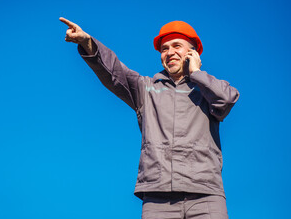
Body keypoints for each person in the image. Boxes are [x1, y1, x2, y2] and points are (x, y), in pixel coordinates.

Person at [60, 17, 239, 219]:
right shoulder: (146, 89)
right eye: (164, 48)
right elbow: (114, 71)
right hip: (158, 197)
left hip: (205, 195)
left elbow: (226, 101)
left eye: (177, 46)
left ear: (193, 52)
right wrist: (87, 42)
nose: (170, 52)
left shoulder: (208, 90)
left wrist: (196, 73)